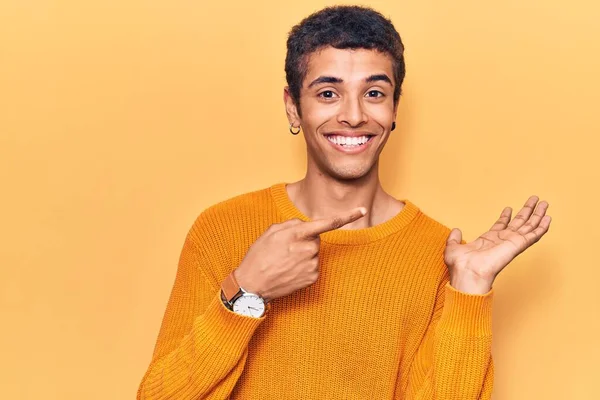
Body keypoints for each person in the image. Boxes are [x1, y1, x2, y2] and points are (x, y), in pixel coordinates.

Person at [136, 5, 551, 399]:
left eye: (373, 92)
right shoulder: (224, 228)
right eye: (328, 93)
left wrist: (471, 288)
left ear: (393, 110)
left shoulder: (438, 253)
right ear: (293, 108)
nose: (353, 116)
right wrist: (248, 290)